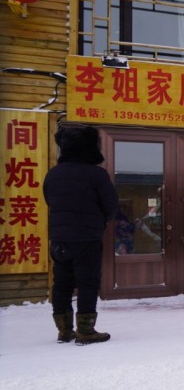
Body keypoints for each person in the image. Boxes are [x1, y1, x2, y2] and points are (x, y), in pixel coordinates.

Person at [42, 124, 117, 344]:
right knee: (87, 283)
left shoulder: (53, 175)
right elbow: (111, 205)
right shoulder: (96, 174)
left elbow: (49, 201)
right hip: (87, 237)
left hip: (59, 239)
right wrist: (103, 220)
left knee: (62, 283)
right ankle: (85, 330)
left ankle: (64, 330)